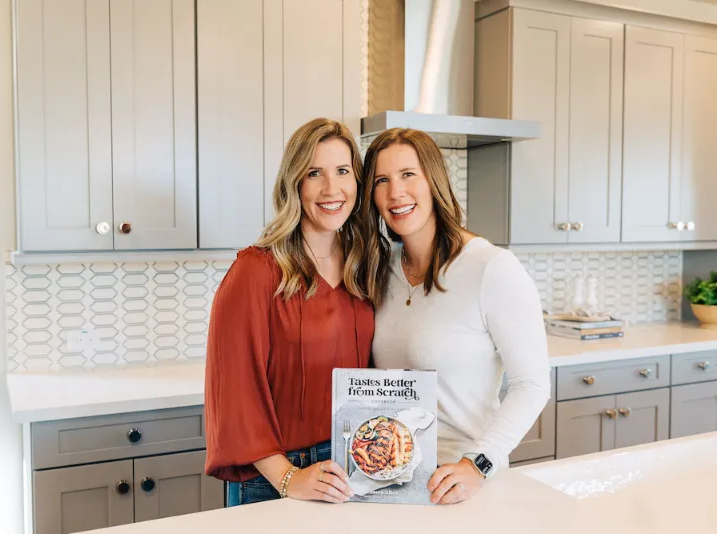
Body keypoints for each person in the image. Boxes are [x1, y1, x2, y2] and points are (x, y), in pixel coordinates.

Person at [361, 128, 550, 505]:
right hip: (392, 482)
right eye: (382, 180)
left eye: (408, 174)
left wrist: (478, 464)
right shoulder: (380, 271)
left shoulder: (491, 267)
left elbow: (532, 385)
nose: (396, 192)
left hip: (464, 487)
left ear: (435, 181)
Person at [204, 118, 374, 507]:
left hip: (349, 470)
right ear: (294, 184)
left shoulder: (362, 269)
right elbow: (234, 391)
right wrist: (288, 478)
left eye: (343, 171)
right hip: (273, 479)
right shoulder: (257, 270)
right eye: (315, 173)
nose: (332, 189)